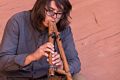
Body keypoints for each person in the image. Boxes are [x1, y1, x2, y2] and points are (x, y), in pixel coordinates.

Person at [0, 0, 81, 80]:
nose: (54, 17)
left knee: (79, 78)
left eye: (59, 13)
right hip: (16, 77)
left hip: (46, 77)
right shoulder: (17, 21)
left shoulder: (64, 29)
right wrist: (32, 57)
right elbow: (2, 62)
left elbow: (76, 63)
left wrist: (62, 67)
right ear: (40, 8)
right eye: (50, 11)